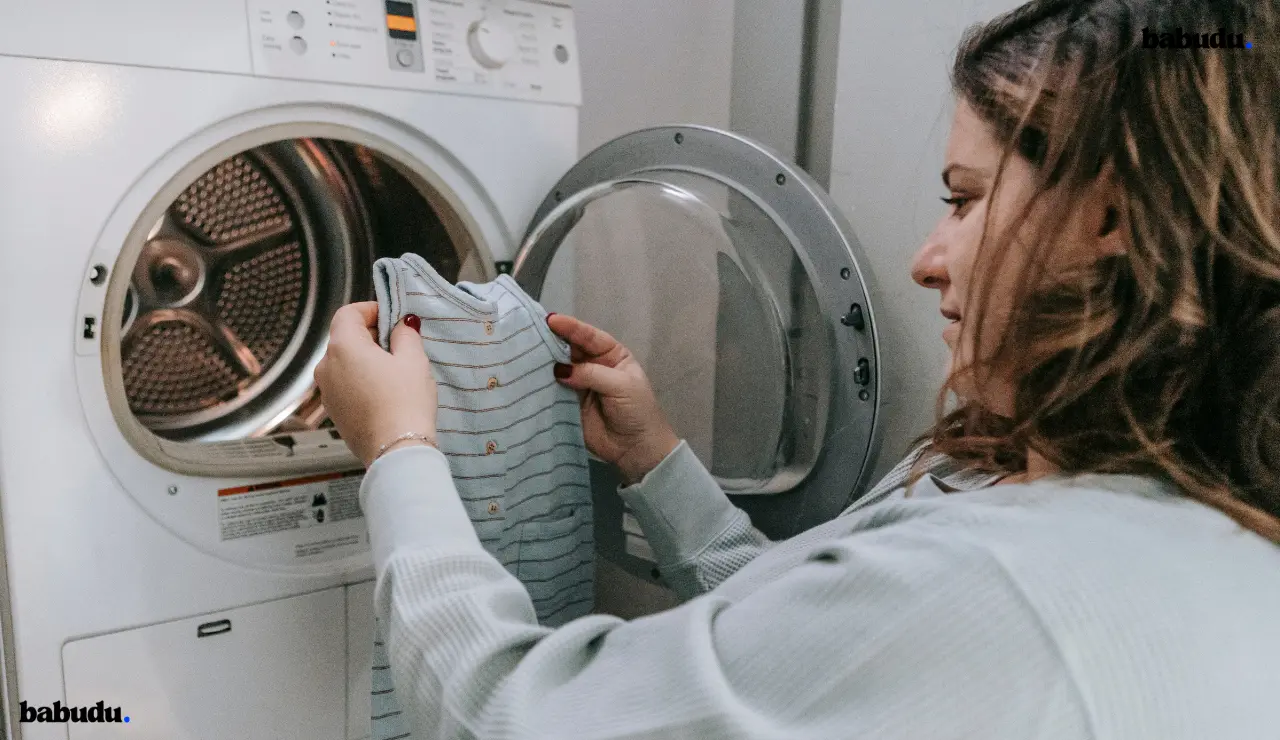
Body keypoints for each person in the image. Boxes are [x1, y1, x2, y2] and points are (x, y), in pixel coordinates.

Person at [313, 0, 1280, 736]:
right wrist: (658, 464)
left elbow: (514, 714)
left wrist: (401, 450)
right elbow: (804, 648)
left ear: (1108, 214)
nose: (926, 259)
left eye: (966, 198)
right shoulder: (1160, 510)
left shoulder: (1000, 578)